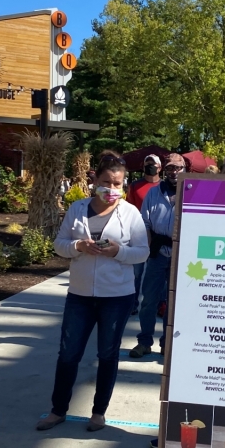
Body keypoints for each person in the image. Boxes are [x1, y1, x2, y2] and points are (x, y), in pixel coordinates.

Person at [38, 152, 148, 432]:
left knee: (108, 354)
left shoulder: (130, 213)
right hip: (80, 295)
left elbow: (142, 252)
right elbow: (59, 244)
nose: (111, 189)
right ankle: (58, 410)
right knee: (68, 354)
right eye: (107, 182)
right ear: (94, 180)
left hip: (117, 296)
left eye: (118, 184)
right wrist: (78, 247)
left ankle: (98, 412)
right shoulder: (78, 209)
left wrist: (117, 251)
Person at [131, 153, 185, 358]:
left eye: (178, 168)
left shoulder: (191, 193)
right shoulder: (154, 193)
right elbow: (143, 222)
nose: (174, 172)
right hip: (157, 253)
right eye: (170, 168)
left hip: (180, 254)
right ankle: (144, 341)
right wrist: (149, 246)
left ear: (184, 169)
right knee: (148, 300)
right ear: (165, 170)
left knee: (173, 301)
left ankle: (167, 343)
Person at [126, 156, 161, 314]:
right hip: (138, 233)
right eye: (147, 164)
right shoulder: (135, 186)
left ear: (159, 167)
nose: (149, 167)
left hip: (159, 235)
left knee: (158, 272)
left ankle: (160, 305)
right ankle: (132, 304)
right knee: (136, 272)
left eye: (152, 164)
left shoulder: (164, 187)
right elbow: (128, 208)